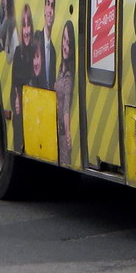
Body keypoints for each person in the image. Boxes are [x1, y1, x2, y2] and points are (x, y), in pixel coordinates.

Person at [11, 3, 38, 152]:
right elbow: (14, 83)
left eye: (29, 26)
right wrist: (16, 97)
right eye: (24, 26)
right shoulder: (17, 53)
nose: (26, 31)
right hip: (20, 111)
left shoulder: (36, 52)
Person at [54, 20, 75, 165]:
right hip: (53, 127)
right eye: (64, 40)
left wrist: (67, 133)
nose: (65, 46)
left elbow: (66, 108)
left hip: (61, 132)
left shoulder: (69, 76)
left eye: (69, 42)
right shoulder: (60, 69)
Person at [35, 0, 56, 88]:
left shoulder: (53, 52)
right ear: (44, 9)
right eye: (48, 4)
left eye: (52, 6)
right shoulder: (36, 39)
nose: (50, 10)